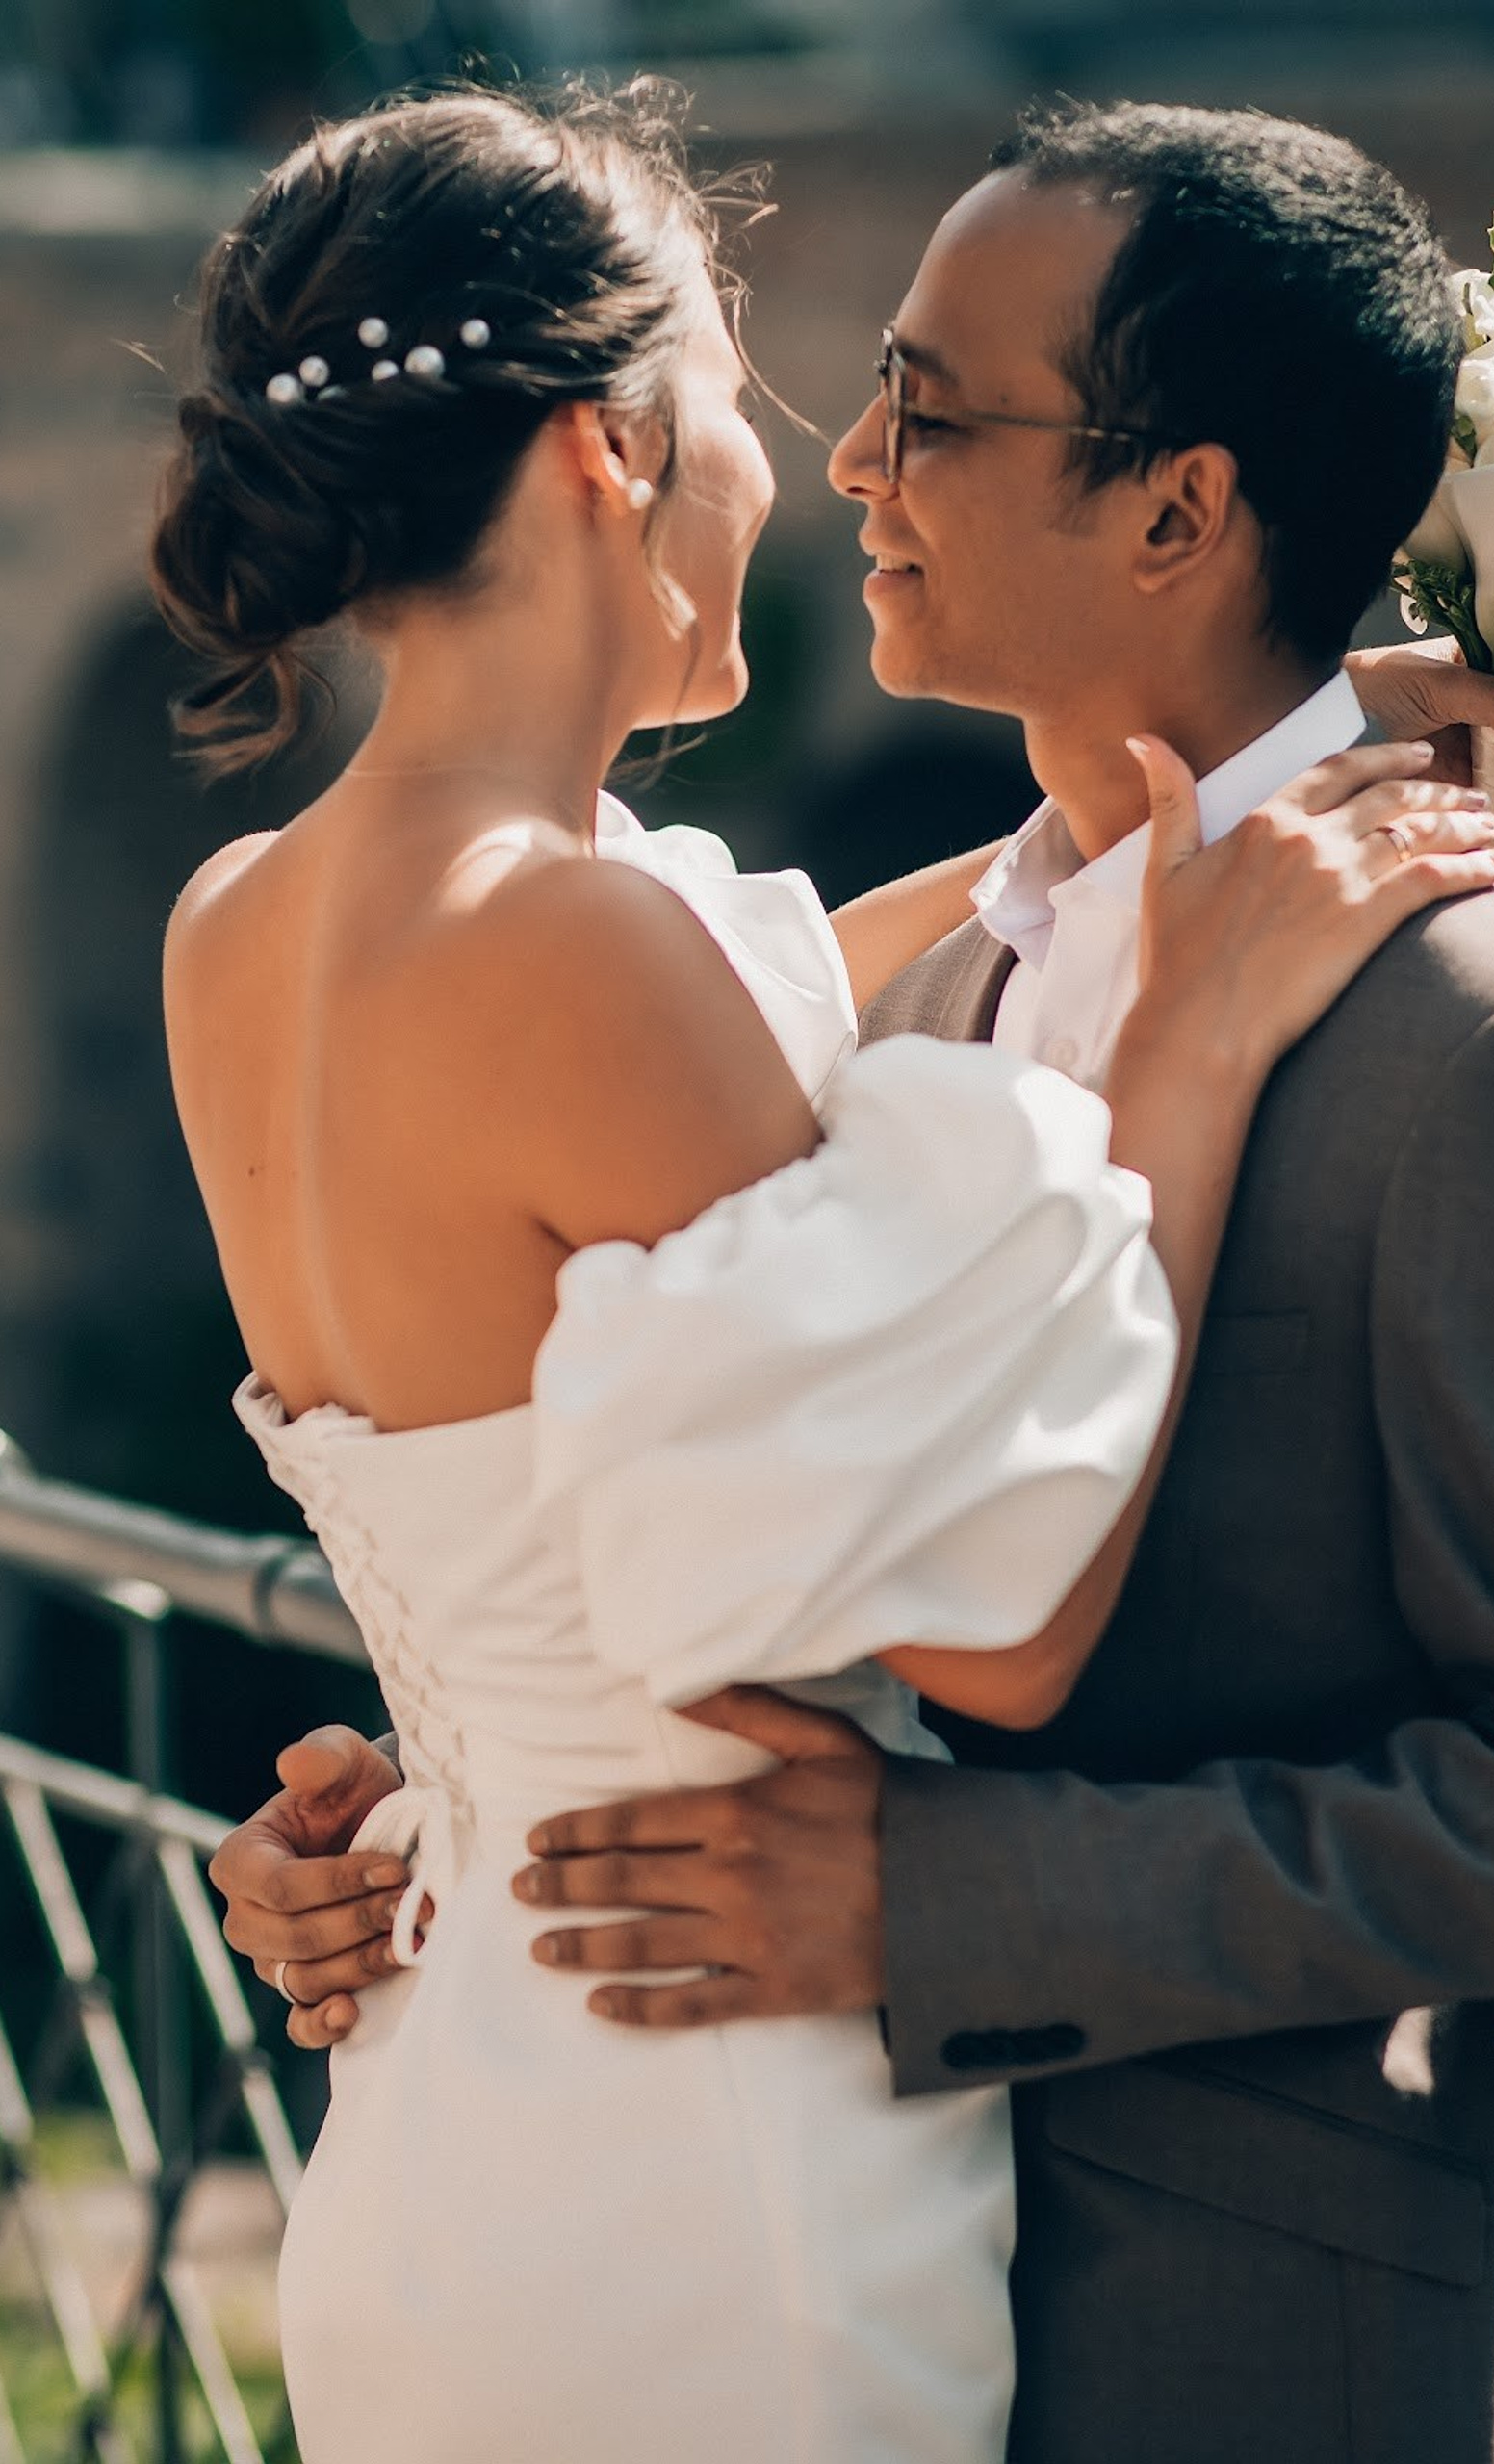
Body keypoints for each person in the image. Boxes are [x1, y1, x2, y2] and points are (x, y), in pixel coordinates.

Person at [163, 84, 1493, 2464]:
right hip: (710, 2155)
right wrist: (1183, 1049)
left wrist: (449, 1783)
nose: (838, 462)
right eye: (787, 390)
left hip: (512, 2098)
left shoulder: (248, 918)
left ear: (1177, 509)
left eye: (920, 405)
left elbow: (552, 1439)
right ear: (607, 448)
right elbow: (988, 1615)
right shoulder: (631, 964)